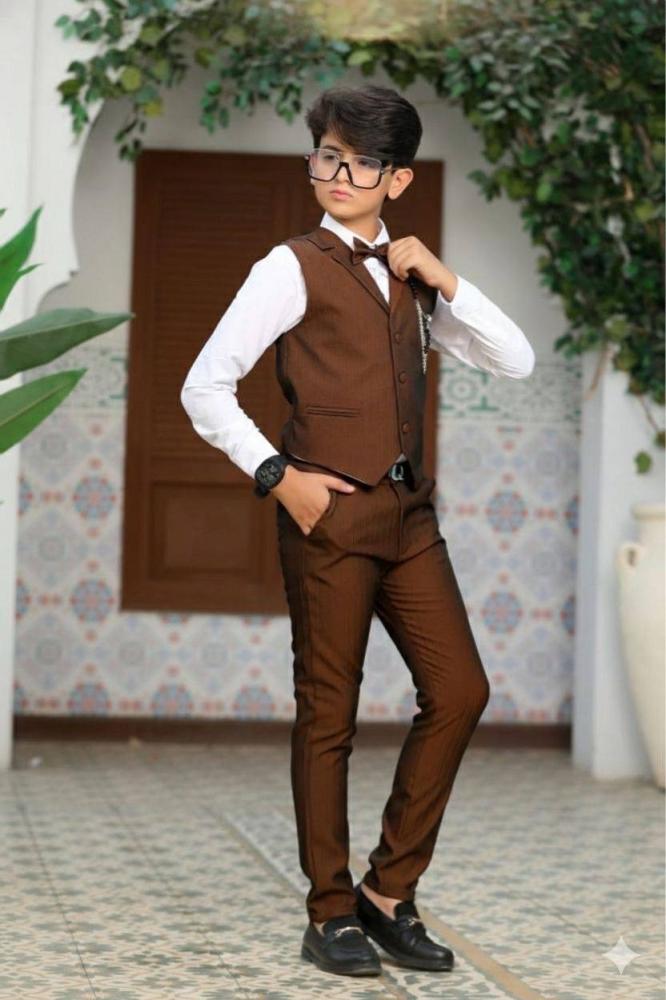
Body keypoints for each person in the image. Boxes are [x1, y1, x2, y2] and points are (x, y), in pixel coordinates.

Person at [180, 83, 535, 979]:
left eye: (363, 161)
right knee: (329, 713)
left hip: (410, 519)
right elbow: (203, 386)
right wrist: (279, 477)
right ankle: (330, 910)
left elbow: (517, 359)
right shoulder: (286, 267)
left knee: (460, 691)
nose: (339, 174)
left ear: (398, 179)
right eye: (328, 156)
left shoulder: (413, 280)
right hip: (329, 520)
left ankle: (387, 892)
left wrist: (446, 278)